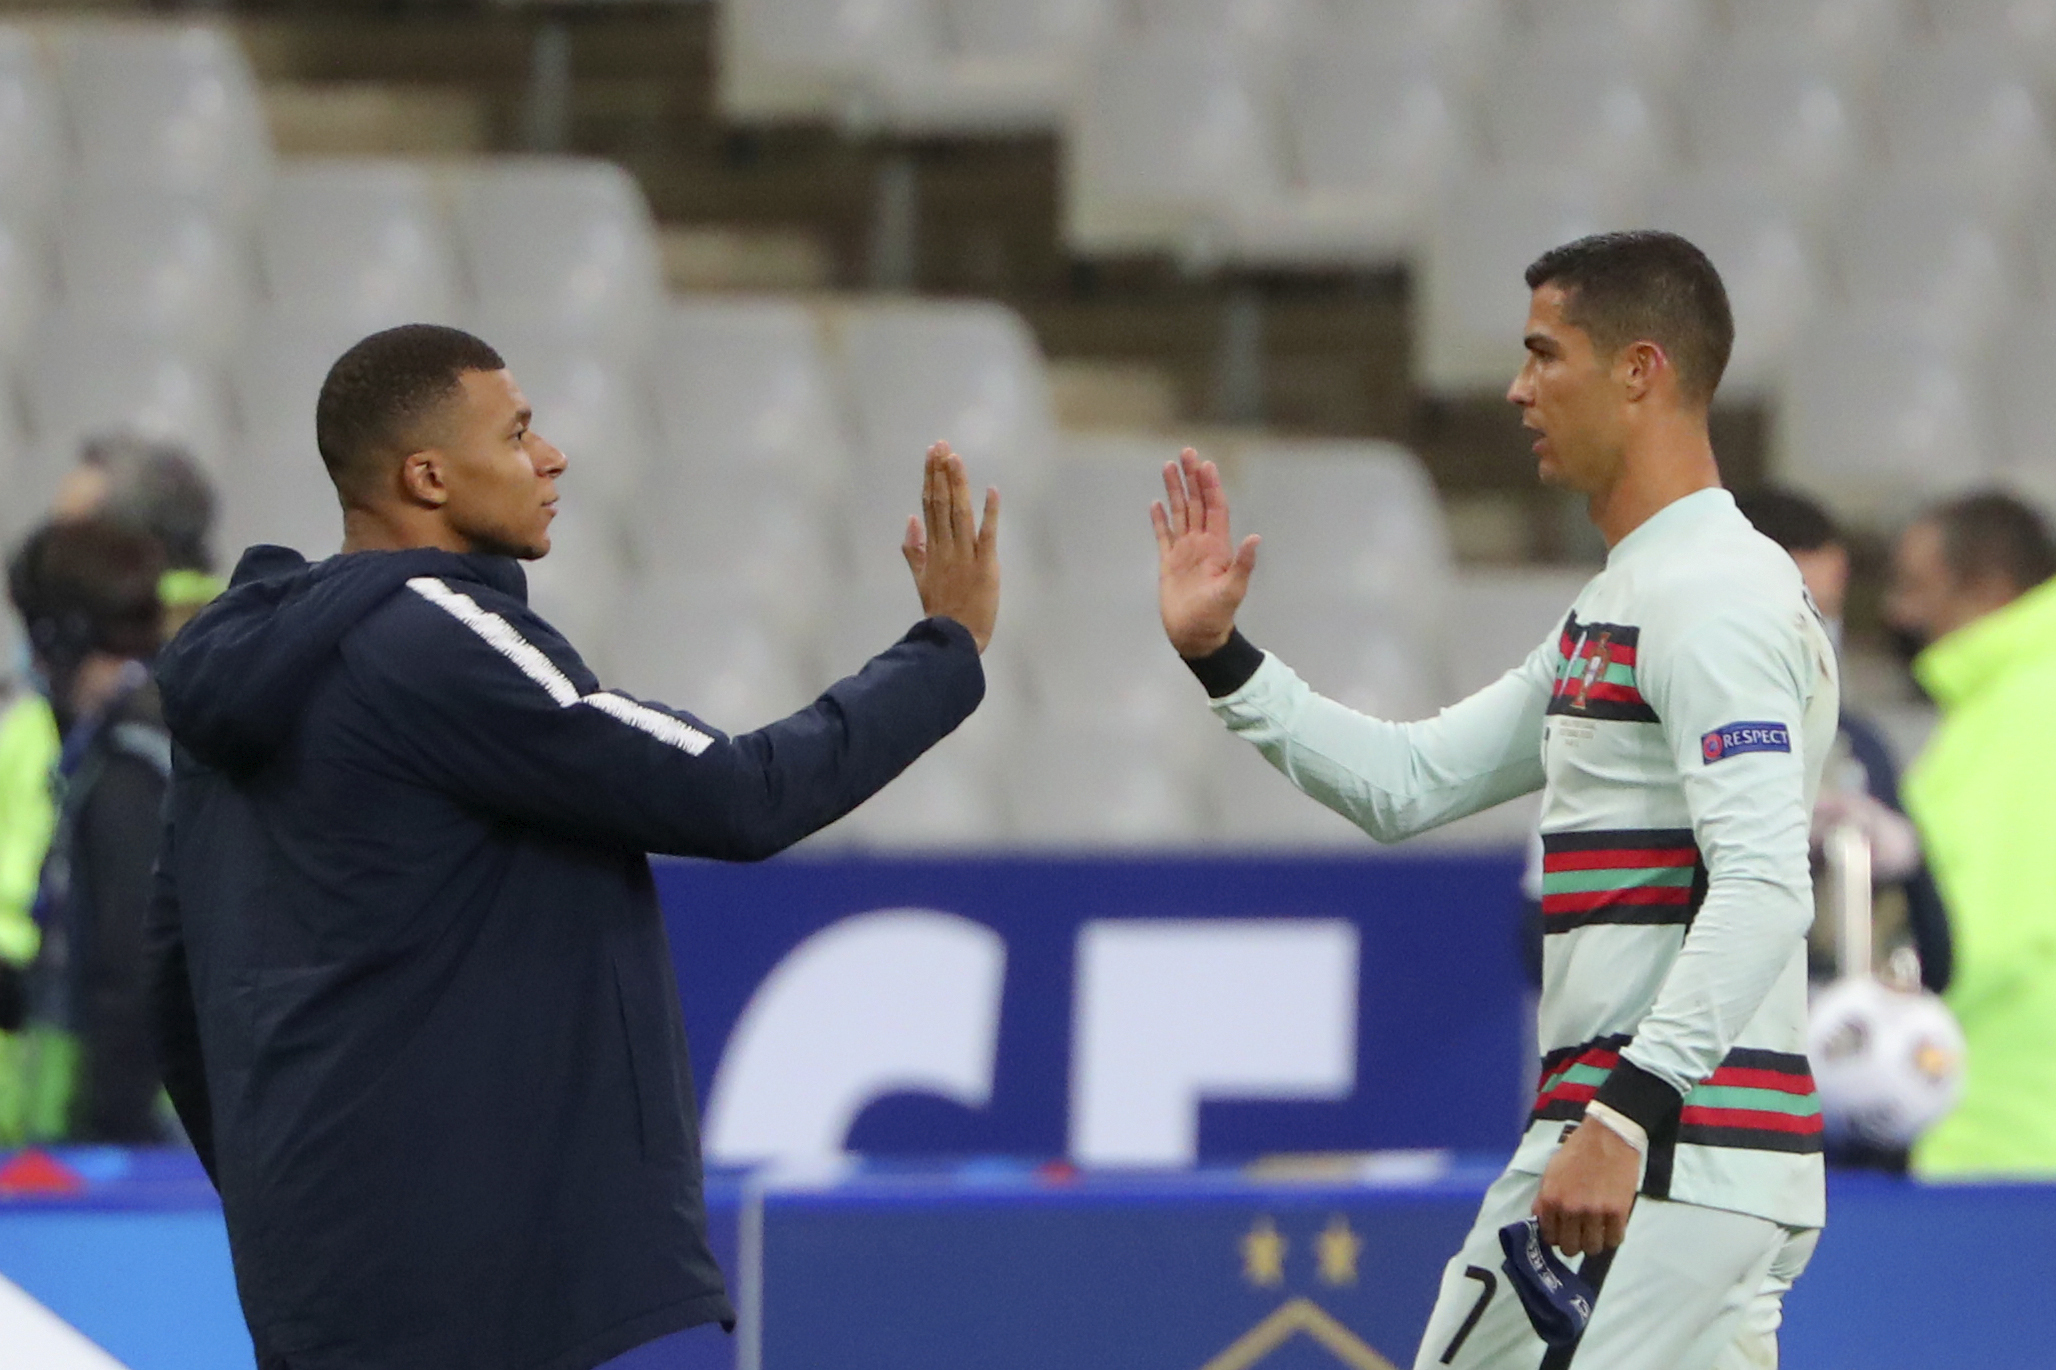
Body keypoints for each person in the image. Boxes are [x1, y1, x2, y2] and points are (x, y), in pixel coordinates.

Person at [146, 323, 1001, 1370]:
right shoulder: (434, 634)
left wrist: (289, 1192)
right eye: (515, 433)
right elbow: (736, 794)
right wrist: (941, 654)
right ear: (428, 475)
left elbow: (172, 974)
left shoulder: (228, 674)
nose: (551, 456)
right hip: (469, 1268)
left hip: (317, 1262)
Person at [1154, 232, 1835, 1369]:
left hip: (1655, 1158)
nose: (1517, 388)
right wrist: (1225, 659)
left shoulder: (1710, 597)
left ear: (1639, 370)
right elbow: (1408, 783)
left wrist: (1621, 1119)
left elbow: (1766, 882)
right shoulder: (1633, 597)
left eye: (1543, 353)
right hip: (1694, 1160)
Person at [1882, 492, 2056, 1178]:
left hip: (2002, 1135)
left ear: (1987, 589)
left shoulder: (2024, 712)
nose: (1898, 612)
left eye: (1916, 587)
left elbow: (1975, 938)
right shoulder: (2009, 702)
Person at [1731, 487, 1951, 997]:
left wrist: (1909, 866)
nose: (1814, 634)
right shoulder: (1639, 741)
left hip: (1834, 1053)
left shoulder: (1855, 748)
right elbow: (1544, 940)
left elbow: (1938, 963)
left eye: (1828, 612)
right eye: (1796, 609)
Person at [4, 518, 173, 1143]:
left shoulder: (131, 766)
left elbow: (129, 970)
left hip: (136, 1150)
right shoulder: (143, 737)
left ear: (64, 638)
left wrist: (107, 1131)